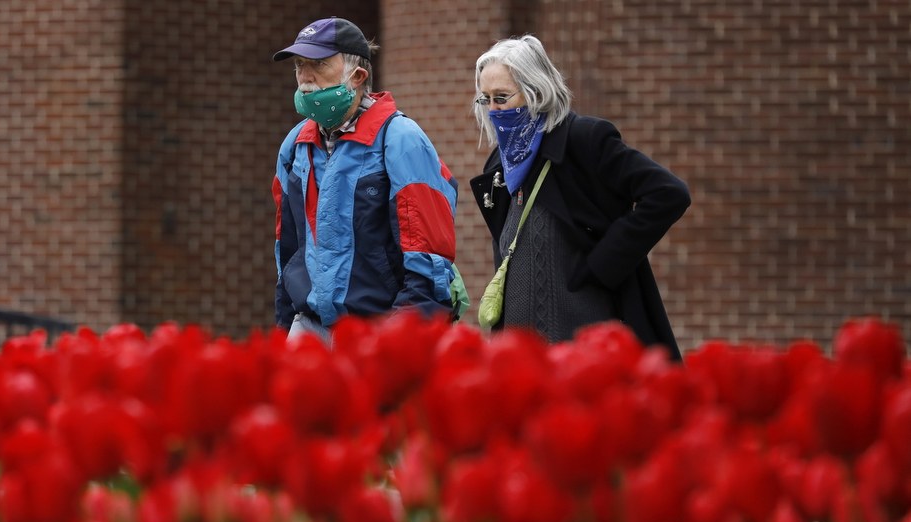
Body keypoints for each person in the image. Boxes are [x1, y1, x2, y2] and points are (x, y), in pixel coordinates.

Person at [469, 35, 690, 360]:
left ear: (536, 90)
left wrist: (601, 266)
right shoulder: (500, 167)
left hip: (584, 350)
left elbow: (668, 193)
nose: (493, 110)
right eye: (484, 99)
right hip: (520, 360)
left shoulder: (583, 141)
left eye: (501, 97)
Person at [271, 17, 460, 339]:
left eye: (317, 64)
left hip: (379, 331)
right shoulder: (295, 145)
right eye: (300, 65)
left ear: (357, 76)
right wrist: (283, 327)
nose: (304, 77)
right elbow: (287, 249)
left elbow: (428, 256)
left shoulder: (401, 140)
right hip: (309, 327)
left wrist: (401, 335)